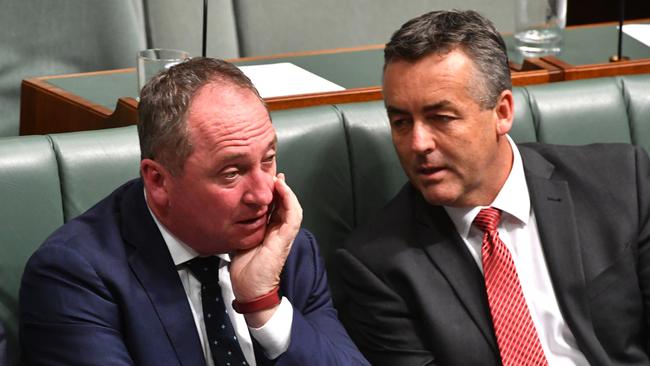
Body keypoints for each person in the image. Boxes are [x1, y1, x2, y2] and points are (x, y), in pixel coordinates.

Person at [338, 9, 650, 366]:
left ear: (502, 112)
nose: (418, 143)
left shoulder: (622, 181)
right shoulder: (376, 265)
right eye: (401, 122)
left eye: (441, 118)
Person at [20, 57, 368, 366]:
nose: (263, 195)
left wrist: (264, 306)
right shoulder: (73, 276)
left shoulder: (286, 248)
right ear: (158, 181)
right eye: (231, 173)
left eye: (267, 160)